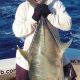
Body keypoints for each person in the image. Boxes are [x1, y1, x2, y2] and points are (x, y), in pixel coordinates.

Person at [12, 0, 77, 80]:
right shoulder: (23, 7)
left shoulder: (56, 3)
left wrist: (49, 15)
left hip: (53, 55)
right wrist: (34, 19)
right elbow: (17, 31)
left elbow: (68, 25)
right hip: (34, 59)